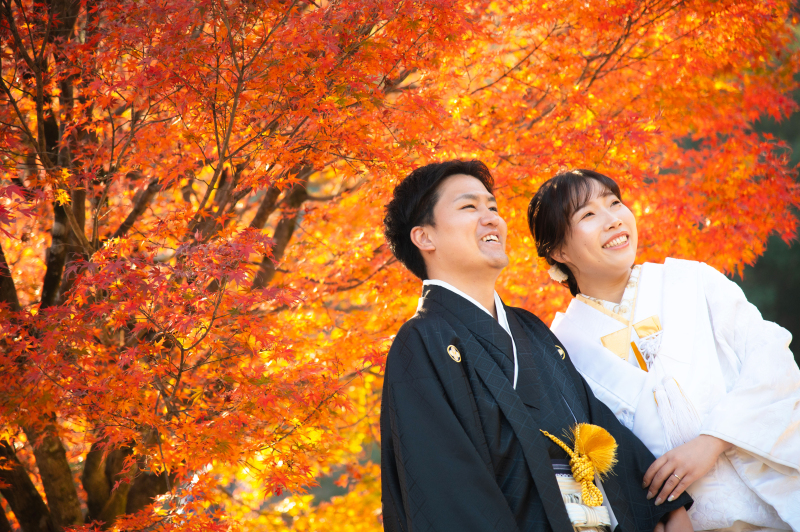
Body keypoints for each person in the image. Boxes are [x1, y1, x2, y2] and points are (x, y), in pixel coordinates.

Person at [380, 160, 692, 532]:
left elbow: (600, 430)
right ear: (425, 238)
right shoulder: (423, 342)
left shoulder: (531, 330)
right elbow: (447, 492)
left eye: (493, 208)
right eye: (469, 207)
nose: (492, 218)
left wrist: (665, 508)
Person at [528, 169, 800, 531]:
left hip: (776, 505)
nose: (612, 219)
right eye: (588, 214)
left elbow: (772, 358)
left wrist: (713, 440)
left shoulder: (693, 281)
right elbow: (591, 465)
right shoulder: (563, 349)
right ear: (558, 250)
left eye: (615, 203)